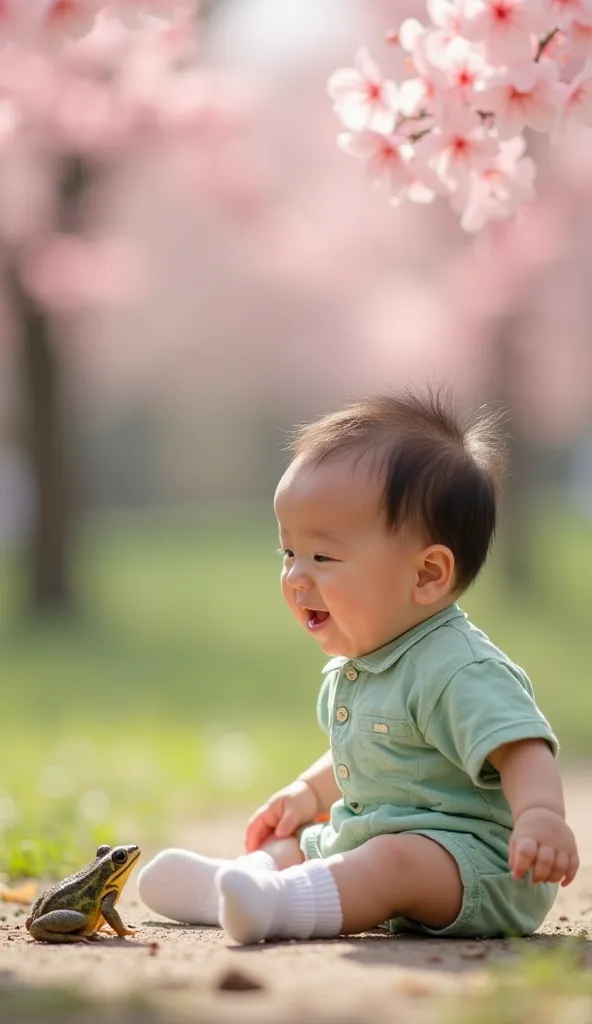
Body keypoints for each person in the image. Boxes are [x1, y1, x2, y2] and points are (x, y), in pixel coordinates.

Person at [138, 388, 579, 945]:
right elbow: (364, 752)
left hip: (476, 867)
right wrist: (307, 792)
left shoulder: (458, 668)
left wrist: (541, 815)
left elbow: (521, 745)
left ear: (426, 574)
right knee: (305, 836)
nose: (297, 576)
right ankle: (238, 882)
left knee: (395, 859)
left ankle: (278, 903)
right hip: (372, 839)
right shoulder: (361, 666)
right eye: (288, 553)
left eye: (322, 556)